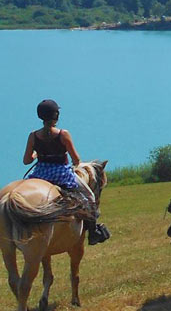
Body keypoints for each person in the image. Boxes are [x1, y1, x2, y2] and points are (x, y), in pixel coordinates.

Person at [22, 99, 110, 245]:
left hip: (40, 174)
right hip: (61, 174)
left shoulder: (33, 136)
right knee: (89, 197)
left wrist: (37, 154)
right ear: (56, 115)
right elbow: (76, 160)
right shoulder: (63, 134)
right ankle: (93, 232)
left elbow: (26, 161)